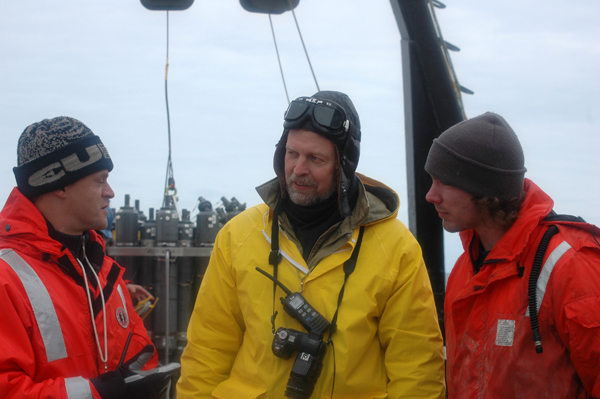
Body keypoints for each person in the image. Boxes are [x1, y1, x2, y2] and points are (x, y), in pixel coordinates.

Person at [177, 91, 446, 398]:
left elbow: (416, 369)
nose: (299, 170)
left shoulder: (397, 248)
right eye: (292, 154)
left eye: (315, 158)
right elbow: (207, 351)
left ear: (343, 167)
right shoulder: (237, 236)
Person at [424, 112, 600, 398]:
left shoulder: (571, 264)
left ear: (483, 190)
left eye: (444, 182)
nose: (431, 195)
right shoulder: (465, 269)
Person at [0, 116, 177, 398]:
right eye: (100, 180)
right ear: (58, 184)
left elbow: (140, 359)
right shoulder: (6, 277)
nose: (110, 192)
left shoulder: (105, 273)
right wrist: (98, 393)